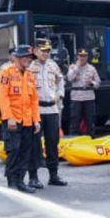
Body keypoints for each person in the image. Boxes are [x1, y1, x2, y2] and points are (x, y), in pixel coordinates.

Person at [0, 45, 39, 193]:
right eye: (25, 57)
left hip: (27, 119)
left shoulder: (30, 75)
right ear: (16, 58)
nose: (28, 60)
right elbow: (3, 97)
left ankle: (20, 180)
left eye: (29, 57)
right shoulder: (6, 72)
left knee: (25, 151)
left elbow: (34, 99)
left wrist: (36, 120)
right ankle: (11, 180)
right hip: (13, 118)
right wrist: (9, 117)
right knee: (13, 150)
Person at [29, 40, 68, 187]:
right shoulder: (30, 67)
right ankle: (33, 177)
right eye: (42, 50)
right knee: (34, 144)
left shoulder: (53, 65)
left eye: (47, 51)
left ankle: (54, 175)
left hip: (52, 109)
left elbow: (60, 81)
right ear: (35, 51)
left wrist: (60, 95)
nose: (45, 53)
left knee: (53, 143)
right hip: (37, 110)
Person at [66, 49, 101, 136]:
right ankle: (73, 140)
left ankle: (91, 138)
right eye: (80, 56)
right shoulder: (72, 67)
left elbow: (98, 83)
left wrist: (91, 82)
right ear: (77, 56)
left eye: (84, 56)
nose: (82, 58)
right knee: (75, 121)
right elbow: (69, 78)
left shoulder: (92, 68)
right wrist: (77, 67)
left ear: (87, 57)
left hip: (89, 97)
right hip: (76, 98)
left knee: (90, 121)